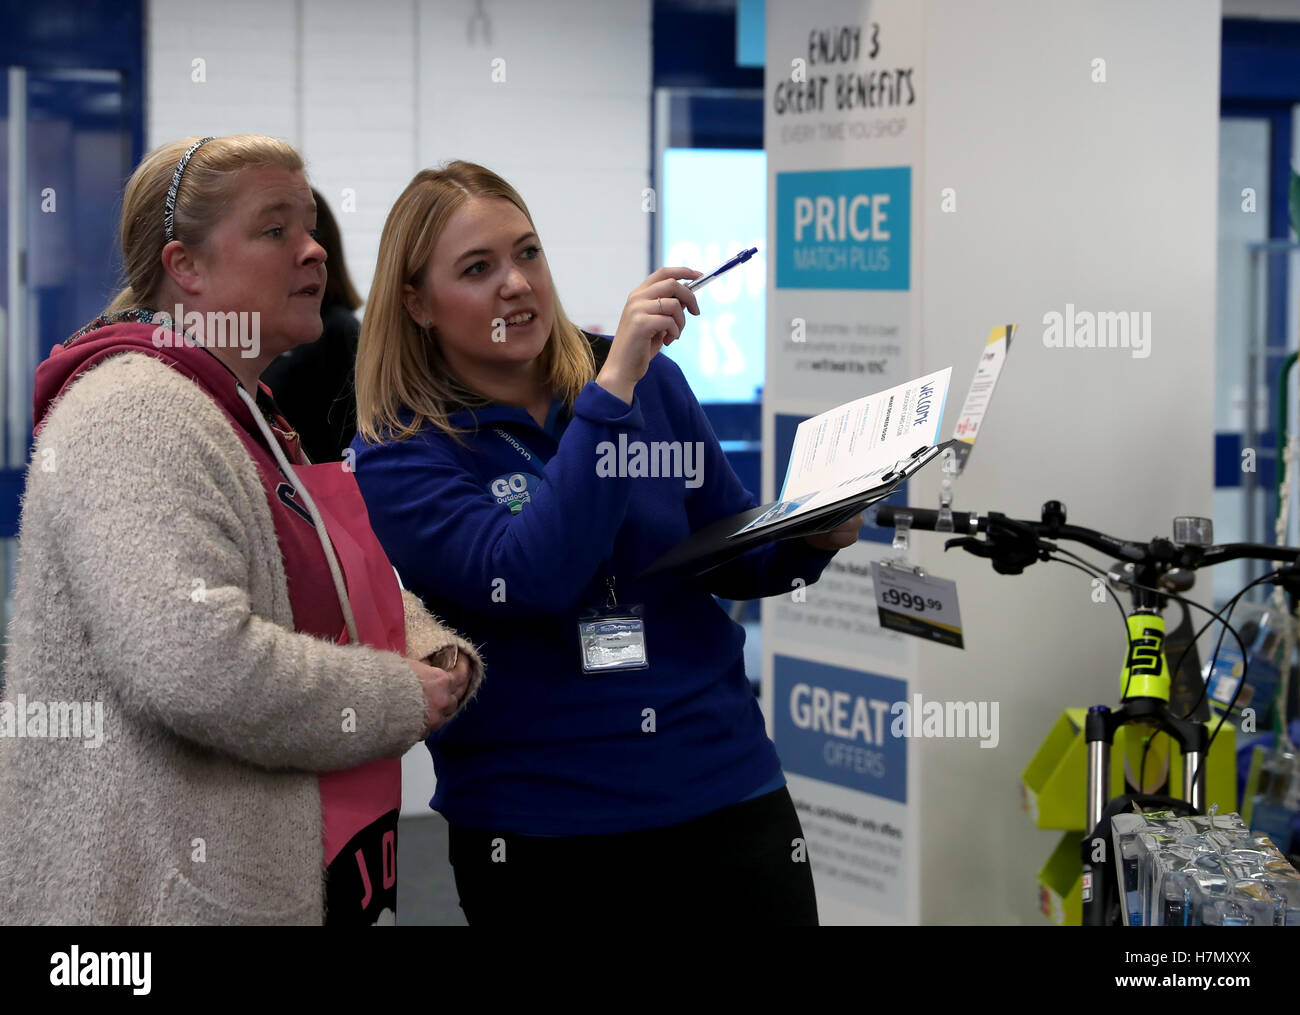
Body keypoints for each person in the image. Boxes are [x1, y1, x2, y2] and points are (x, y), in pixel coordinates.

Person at [350, 161, 861, 926]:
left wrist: (810, 537)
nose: (516, 283)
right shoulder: (401, 450)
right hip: (545, 833)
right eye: (478, 268)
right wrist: (611, 388)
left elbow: (727, 545)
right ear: (418, 303)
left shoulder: (651, 384)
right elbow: (530, 575)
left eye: (528, 253)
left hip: (725, 789)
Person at [0, 135, 483, 926]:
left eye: (310, 225)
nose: (314, 249)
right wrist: (395, 693)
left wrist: (424, 642)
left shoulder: (238, 410)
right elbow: (196, 663)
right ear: (185, 266)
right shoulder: (135, 412)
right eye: (275, 230)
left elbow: (319, 578)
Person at [260, 188, 363, 463]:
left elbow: (353, 440)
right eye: (275, 232)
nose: (310, 251)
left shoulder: (339, 331)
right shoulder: (258, 333)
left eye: (312, 233)